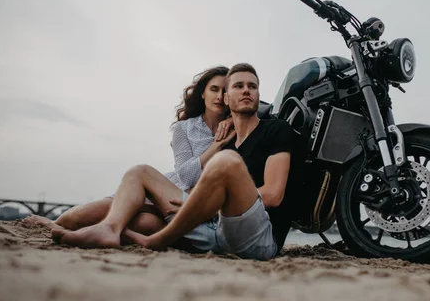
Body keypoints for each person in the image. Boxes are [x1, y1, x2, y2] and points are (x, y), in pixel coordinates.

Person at [52, 63, 297, 260]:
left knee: (226, 162)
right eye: (239, 86)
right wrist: (200, 207)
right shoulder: (226, 138)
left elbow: (274, 195)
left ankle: (156, 240)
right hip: (214, 232)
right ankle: (110, 229)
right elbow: (192, 179)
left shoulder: (275, 130)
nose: (246, 90)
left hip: (256, 238)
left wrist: (203, 207)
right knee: (140, 173)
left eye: (252, 86)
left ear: (259, 94)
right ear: (226, 97)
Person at [23, 66, 236, 250]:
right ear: (202, 94)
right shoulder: (184, 128)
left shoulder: (239, 127)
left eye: (225, 91)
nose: (219, 96)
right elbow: (186, 176)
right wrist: (217, 145)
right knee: (76, 218)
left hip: (186, 206)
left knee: (146, 225)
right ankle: (52, 224)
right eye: (214, 89)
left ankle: (102, 233)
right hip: (162, 191)